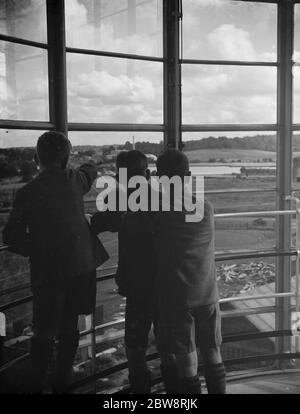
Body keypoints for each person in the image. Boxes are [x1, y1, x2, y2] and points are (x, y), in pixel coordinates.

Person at [2, 131, 109, 393]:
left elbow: (11, 237)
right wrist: (90, 161)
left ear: (37, 158)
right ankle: (63, 380)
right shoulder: (75, 180)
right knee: (69, 326)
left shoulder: (29, 192)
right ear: (67, 158)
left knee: (44, 332)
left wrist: (38, 248)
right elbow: (88, 171)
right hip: (80, 266)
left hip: (49, 271)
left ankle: (38, 384)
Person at [123, 149, 226, 394]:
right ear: (188, 175)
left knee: (187, 363)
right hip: (208, 293)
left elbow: (128, 221)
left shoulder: (157, 211)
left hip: (178, 298)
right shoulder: (206, 207)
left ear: (158, 176)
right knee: (213, 354)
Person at [91, 150, 178, 394]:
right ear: (148, 174)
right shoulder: (162, 200)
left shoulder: (121, 204)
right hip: (165, 285)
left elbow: (97, 223)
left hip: (138, 288)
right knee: (168, 347)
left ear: (119, 177)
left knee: (135, 349)